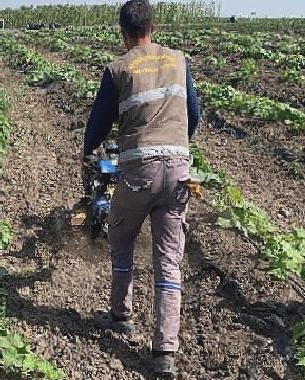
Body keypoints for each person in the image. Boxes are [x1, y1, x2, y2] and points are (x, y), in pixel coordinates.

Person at [82, 0, 200, 377]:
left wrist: (87, 153)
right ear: (154, 26)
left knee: (121, 237)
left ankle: (121, 316)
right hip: (179, 173)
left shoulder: (118, 68)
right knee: (168, 260)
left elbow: (99, 123)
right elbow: (193, 114)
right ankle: (164, 350)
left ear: (122, 33)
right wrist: (178, 146)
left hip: (138, 172)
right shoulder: (179, 60)